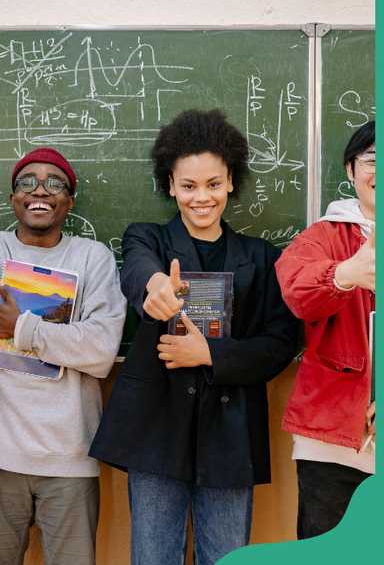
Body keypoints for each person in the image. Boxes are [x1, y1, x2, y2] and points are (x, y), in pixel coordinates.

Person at [90, 109, 300, 565]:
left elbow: (281, 342)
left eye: (213, 184)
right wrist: (156, 288)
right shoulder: (148, 239)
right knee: (153, 555)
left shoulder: (262, 257)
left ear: (230, 182)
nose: (201, 198)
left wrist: (211, 354)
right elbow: (137, 270)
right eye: (188, 186)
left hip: (229, 434)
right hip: (156, 427)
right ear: (170, 186)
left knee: (225, 555)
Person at [0, 147, 125, 565]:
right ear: (12, 198)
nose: (40, 190)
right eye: (27, 182)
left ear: (69, 200)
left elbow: (100, 350)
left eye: (54, 183)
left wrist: (23, 329)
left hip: (69, 459)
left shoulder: (93, 259)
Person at [275, 120, 375, 539]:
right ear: (351, 171)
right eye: (373, 160)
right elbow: (296, 290)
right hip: (334, 444)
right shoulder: (325, 236)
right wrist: (345, 273)